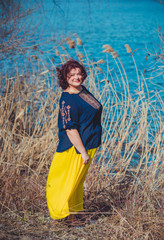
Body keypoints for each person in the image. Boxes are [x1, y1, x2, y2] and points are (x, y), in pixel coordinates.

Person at [46, 59, 103, 222]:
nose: (77, 77)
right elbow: (70, 129)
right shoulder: (68, 100)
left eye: (79, 74)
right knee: (67, 181)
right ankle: (65, 215)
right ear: (65, 77)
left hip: (89, 143)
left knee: (77, 182)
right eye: (72, 75)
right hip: (74, 148)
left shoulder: (82, 91)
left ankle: (78, 212)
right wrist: (82, 152)